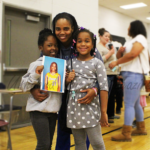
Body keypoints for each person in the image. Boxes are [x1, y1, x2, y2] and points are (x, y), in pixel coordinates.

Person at [30, 12, 104, 150]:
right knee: (63, 133)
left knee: (84, 135)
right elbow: (39, 74)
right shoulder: (51, 46)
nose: (61, 32)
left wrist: (95, 90)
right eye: (58, 29)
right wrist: (33, 89)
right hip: (61, 98)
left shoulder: (85, 45)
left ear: (73, 28)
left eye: (66, 29)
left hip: (85, 98)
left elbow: (102, 77)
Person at [66, 27, 109, 150]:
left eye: (87, 41)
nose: (83, 44)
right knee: (79, 144)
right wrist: (67, 79)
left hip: (91, 108)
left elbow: (104, 88)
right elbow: (64, 86)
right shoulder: (70, 63)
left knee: (97, 143)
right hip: (73, 108)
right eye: (79, 41)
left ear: (92, 44)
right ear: (75, 43)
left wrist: (104, 112)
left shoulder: (97, 63)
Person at [20, 28, 61, 150]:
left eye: (55, 45)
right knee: (43, 144)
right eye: (49, 45)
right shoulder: (35, 64)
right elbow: (23, 86)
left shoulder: (59, 65)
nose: (53, 48)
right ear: (40, 47)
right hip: (38, 111)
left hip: (53, 112)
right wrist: (36, 74)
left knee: (48, 144)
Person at [109, 20, 149, 141]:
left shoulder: (140, 38)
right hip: (131, 75)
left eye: (129, 27)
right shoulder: (130, 41)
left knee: (129, 104)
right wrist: (119, 53)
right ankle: (141, 128)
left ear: (135, 28)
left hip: (134, 75)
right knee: (136, 103)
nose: (127, 29)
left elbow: (133, 54)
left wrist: (116, 62)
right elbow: (124, 56)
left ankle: (126, 134)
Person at [97, 28, 119, 123]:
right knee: (105, 96)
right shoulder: (98, 47)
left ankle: (110, 114)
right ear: (100, 36)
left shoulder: (107, 47)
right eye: (105, 36)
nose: (107, 38)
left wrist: (116, 69)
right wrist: (110, 53)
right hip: (106, 74)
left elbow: (112, 61)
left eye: (108, 37)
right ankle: (102, 116)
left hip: (112, 73)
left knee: (111, 97)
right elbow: (99, 61)